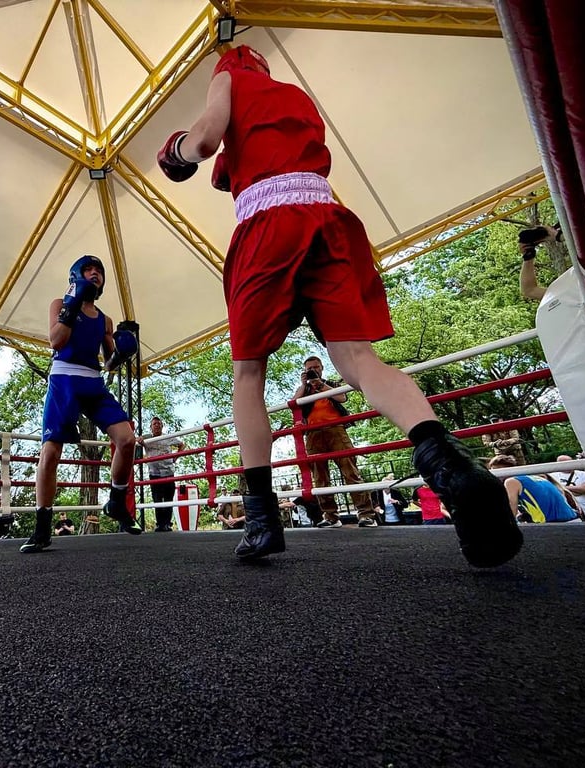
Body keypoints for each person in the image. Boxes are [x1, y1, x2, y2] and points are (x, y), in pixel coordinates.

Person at [156, 44, 522, 566]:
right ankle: (453, 467)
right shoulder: (295, 98)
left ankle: (261, 520)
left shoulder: (230, 78)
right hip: (328, 217)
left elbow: (205, 140)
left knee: (248, 374)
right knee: (358, 360)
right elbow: (250, 155)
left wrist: (176, 149)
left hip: (269, 224)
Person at [20, 254, 143, 553]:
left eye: (98, 270)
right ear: (77, 275)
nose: (94, 273)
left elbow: (109, 363)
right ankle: (42, 527)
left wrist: (122, 352)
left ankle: (116, 501)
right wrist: (72, 305)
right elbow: (56, 341)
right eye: (88, 269)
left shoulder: (105, 319)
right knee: (51, 452)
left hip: (93, 382)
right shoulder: (59, 304)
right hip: (64, 379)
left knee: (127, 439)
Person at [293, 355, 377, 528]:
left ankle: (366, 514)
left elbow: (342, 398)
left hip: (336, 429)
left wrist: (320, 385)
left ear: (322, 368)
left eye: (316, 367)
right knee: (320, 477)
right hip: (313, 433)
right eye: (309, 369)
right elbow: (294, 403)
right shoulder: (304, 389)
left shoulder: (331, 384)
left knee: (350, 470)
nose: (313, 371)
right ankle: (330, 516)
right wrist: (304, 384)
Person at [487, 454, 580, 523]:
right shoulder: (535, 477)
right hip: (572, 520)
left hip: (555, 524)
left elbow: (511, 511)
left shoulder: (511, 482)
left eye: (495, 471)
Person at [138, 416, 187, 532]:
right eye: (154, 424)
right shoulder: (146, 438)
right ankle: (160, 524)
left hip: (168, 472)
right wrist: (140, 440)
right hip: (154, 473)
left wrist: (175, 457)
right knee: (157, 499)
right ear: (151, 427)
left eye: (159, 424)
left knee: (168, 498)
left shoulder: (168, 437)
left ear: (162, 426)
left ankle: (167, 524)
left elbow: (182, 445)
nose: (157, 426)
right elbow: (137, 440)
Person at [517, 224, 561, 302]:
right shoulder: (569, 295)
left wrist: (556, 235)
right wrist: (528, 256)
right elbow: (529, 290)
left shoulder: (566, 296)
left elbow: (529, 290)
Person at [553, 455, 585, 522]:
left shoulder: (583, 474)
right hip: (570, 514)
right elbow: (556, 491)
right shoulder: (553, 476)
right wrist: (578, 489)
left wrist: (564, 488)